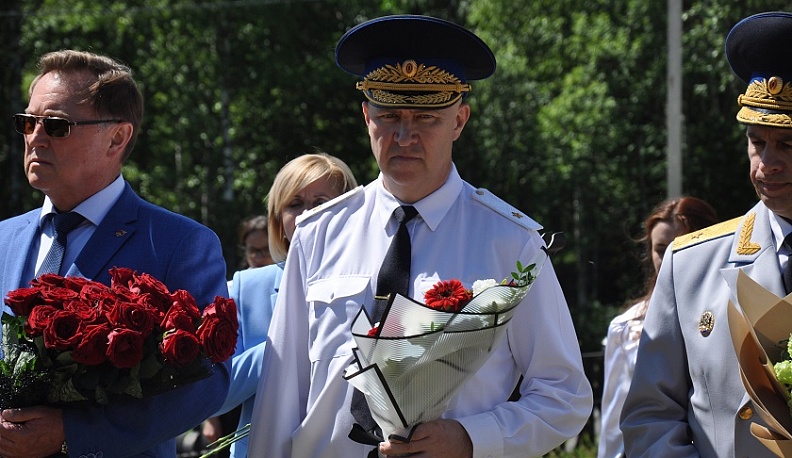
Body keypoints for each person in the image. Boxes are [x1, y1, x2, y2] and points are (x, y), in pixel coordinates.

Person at [246, 15, 593, 458]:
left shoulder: (511, 243)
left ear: (459, 121)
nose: (404, 136)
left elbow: (564, 395)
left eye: (426, 118)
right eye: (389, 116)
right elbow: (281, 395)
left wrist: (472, 438)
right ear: (366, 115)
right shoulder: (318, 234)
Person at [0, 50, 230, 458]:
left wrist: (74, 433)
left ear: (117, 137)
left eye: (56, 125)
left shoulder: (180, 244)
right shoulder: (4, 239)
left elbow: (206, 383)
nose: (36, 137)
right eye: (27, 122)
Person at [620, 11, 792, 457]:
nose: (766, 164)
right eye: (757, 141)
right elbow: (650, 417)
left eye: (787, 145)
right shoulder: (691, 264)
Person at [213, 153, 357, 458]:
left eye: (321, 202)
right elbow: (215, 393)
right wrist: (285, 343)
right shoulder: (245, 287)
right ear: (278, 221)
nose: (308, 214)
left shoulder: (372, 280)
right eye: (295, 204)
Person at [597, 197, 717, 458]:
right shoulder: (625, 328)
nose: (670, 258)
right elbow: (614, 426)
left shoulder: (735, 313)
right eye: (661, 249)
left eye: (681, 246)